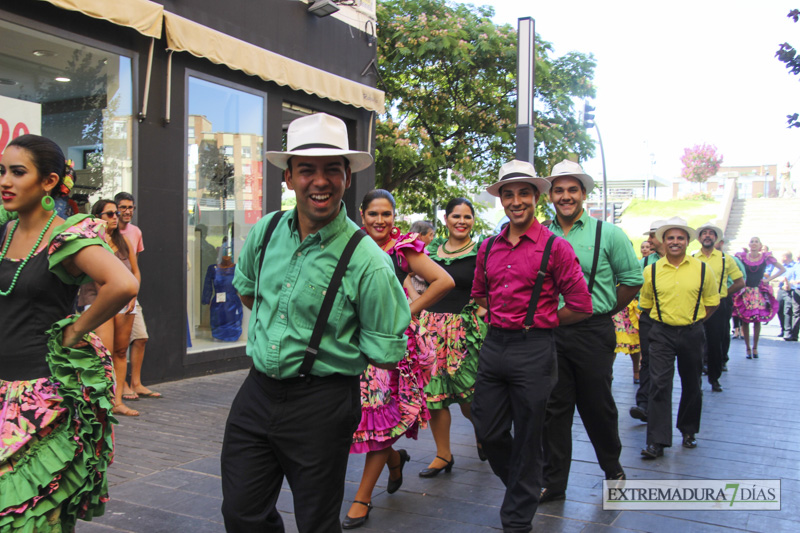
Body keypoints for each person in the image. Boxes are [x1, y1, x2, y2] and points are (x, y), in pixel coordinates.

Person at [220, 113, 411, 533]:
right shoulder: (266, 231)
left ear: (347, 178)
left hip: (322, 402)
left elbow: (385, 350)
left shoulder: (369, 262)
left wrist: (329, 350)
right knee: (241, 513)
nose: (319, 181)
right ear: (289, 177)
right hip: (257, 392)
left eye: (332, 170)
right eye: (307, 170)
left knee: (317, 522)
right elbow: (249, 291)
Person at [0, 134, 138, 531]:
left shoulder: (65, 236)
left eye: (18, 172)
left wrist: (75, 331)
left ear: (48, 182)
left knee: (31, 518)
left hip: (40, 400)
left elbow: (123, 284)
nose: (6, 181)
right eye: (2, 171)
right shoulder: (5, 233)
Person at [470, 160, 592, 533]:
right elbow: (479, 295)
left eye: (524, 193)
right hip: (495, 345)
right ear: (502, 201)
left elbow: (581, 304)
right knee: (488, 431)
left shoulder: (555, 247)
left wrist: (544, 321)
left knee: (527, 433)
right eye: (509, 194)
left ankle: (517, 517)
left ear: (537, 197)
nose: (517, 201)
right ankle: (525, 485)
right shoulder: (488, 246)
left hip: (535, 347)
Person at [343, 189, 453, 529]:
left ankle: (362, 499)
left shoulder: (403, 249)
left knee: (378, 418)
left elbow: (443, 281)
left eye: (386, 214)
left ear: (395, 217)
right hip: (351, 346)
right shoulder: (350, 246)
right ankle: (394, 460)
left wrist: (404, 312)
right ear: (361, 215)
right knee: (356, 422)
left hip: (390, 350)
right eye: (373, 213)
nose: (380, 220)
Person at [540, 160, 643, 503]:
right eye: (559, 190)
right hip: (550, 332)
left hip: (592, 331)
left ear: (584, 194)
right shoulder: (540, 234)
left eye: (572, 189)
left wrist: (604, 311)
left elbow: (632, 280)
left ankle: (612, 467)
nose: (566, 196)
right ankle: (554, 482)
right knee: (554, 408)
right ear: (550, 196)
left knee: (597, 404)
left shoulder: (608, 234)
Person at [414, 198, 488, 477]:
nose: (461, 221)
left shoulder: (481, 250)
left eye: (467, 217)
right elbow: (408, 273)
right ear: (445, 219)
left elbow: (492, 285)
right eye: (456, 216)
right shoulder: (430, 250)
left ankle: (483, 433)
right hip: (431, 329)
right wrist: (417, 303)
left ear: (472, 221)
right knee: (435, 396)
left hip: (464, 331)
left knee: (469, 392)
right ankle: (443, 454)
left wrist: (481, 311)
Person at [639, 217, 719, 458]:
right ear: (663, 242)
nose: (675, 242)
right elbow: (646, 304)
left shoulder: (703, 269)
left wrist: (695, 320)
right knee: (659, 385)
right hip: (661, 331)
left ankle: (688, 431)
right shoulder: (651, 270)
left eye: (680, 238)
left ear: (687, 241)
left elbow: (712, 303)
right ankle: (657, 441)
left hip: (692, 332)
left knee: (692, 383)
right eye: (671, 238)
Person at [78, 199, 142, 417]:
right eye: (109, 214)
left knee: (121, 351)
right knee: (101, 354)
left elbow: (136, 271)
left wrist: (134, 295)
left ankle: (117, 402)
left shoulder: (124, 242)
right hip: (98, 302)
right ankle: (100, 402)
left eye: (116, 213)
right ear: (97, 217)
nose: (115, 217)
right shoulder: (89, 243)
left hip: (124, 302)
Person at [114, 191, 160, 400]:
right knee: (118, 345)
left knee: (141, 337)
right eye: (123, 207)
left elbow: (135, 265)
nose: (128, 211)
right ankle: (121, 384)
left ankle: (137, 383)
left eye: (131, 207)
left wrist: (134, 292)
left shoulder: (136, 232)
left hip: (131, 293)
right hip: (112, 294)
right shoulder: (106, 232)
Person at [694, 223, 744, 392]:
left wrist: (723, 294)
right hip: (697, 304)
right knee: (695, 342)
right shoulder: (693, 258)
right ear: (699, 238)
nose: (707, 236)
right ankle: (696, 377)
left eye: (711, 234)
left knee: (716, 342)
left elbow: (740, 282)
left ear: (716, 238)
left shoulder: (725, 259)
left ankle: (714, 378)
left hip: (718, 305)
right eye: (704, 233)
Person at [629, 220, 667, 423]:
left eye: (652, 236)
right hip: (649, 318)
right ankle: (643, 403)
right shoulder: (644, 262)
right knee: (648, 361)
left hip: (675, 322)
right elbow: (631, 282)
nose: (649, 240)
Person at [732, 237, 785, 358]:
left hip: (758, 292)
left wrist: (768, 279)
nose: (754, 243)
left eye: (756, 242)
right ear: (749, 244)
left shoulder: (765, 257)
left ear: (760, 245)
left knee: (757, 320)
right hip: (745, 291)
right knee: (744, 320)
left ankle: (755, 347)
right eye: (752, 241)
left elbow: (782, 269)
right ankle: (747, 348)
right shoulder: (742, 257)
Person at [405, 220, 436, 298]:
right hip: (416, 295)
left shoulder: (405, 249)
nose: (432, 239)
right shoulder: (417, 253)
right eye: (430, 235)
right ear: (420, 235)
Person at [776, 252, 797, 340]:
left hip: (789, 290)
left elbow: (795, 278)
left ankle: (788, 331)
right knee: (779, 309)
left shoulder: (795, 266)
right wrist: (781, 279)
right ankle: (783, 328)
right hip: (781, 289)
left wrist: (789, 283)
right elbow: (776, 275)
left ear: (785, 257)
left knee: (787, 310)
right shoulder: (782, 266)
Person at [784, 257, 800, 341]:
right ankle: (794, 335)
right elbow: (790, 277)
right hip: (797, 290)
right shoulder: (796, 265)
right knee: (796, 313)